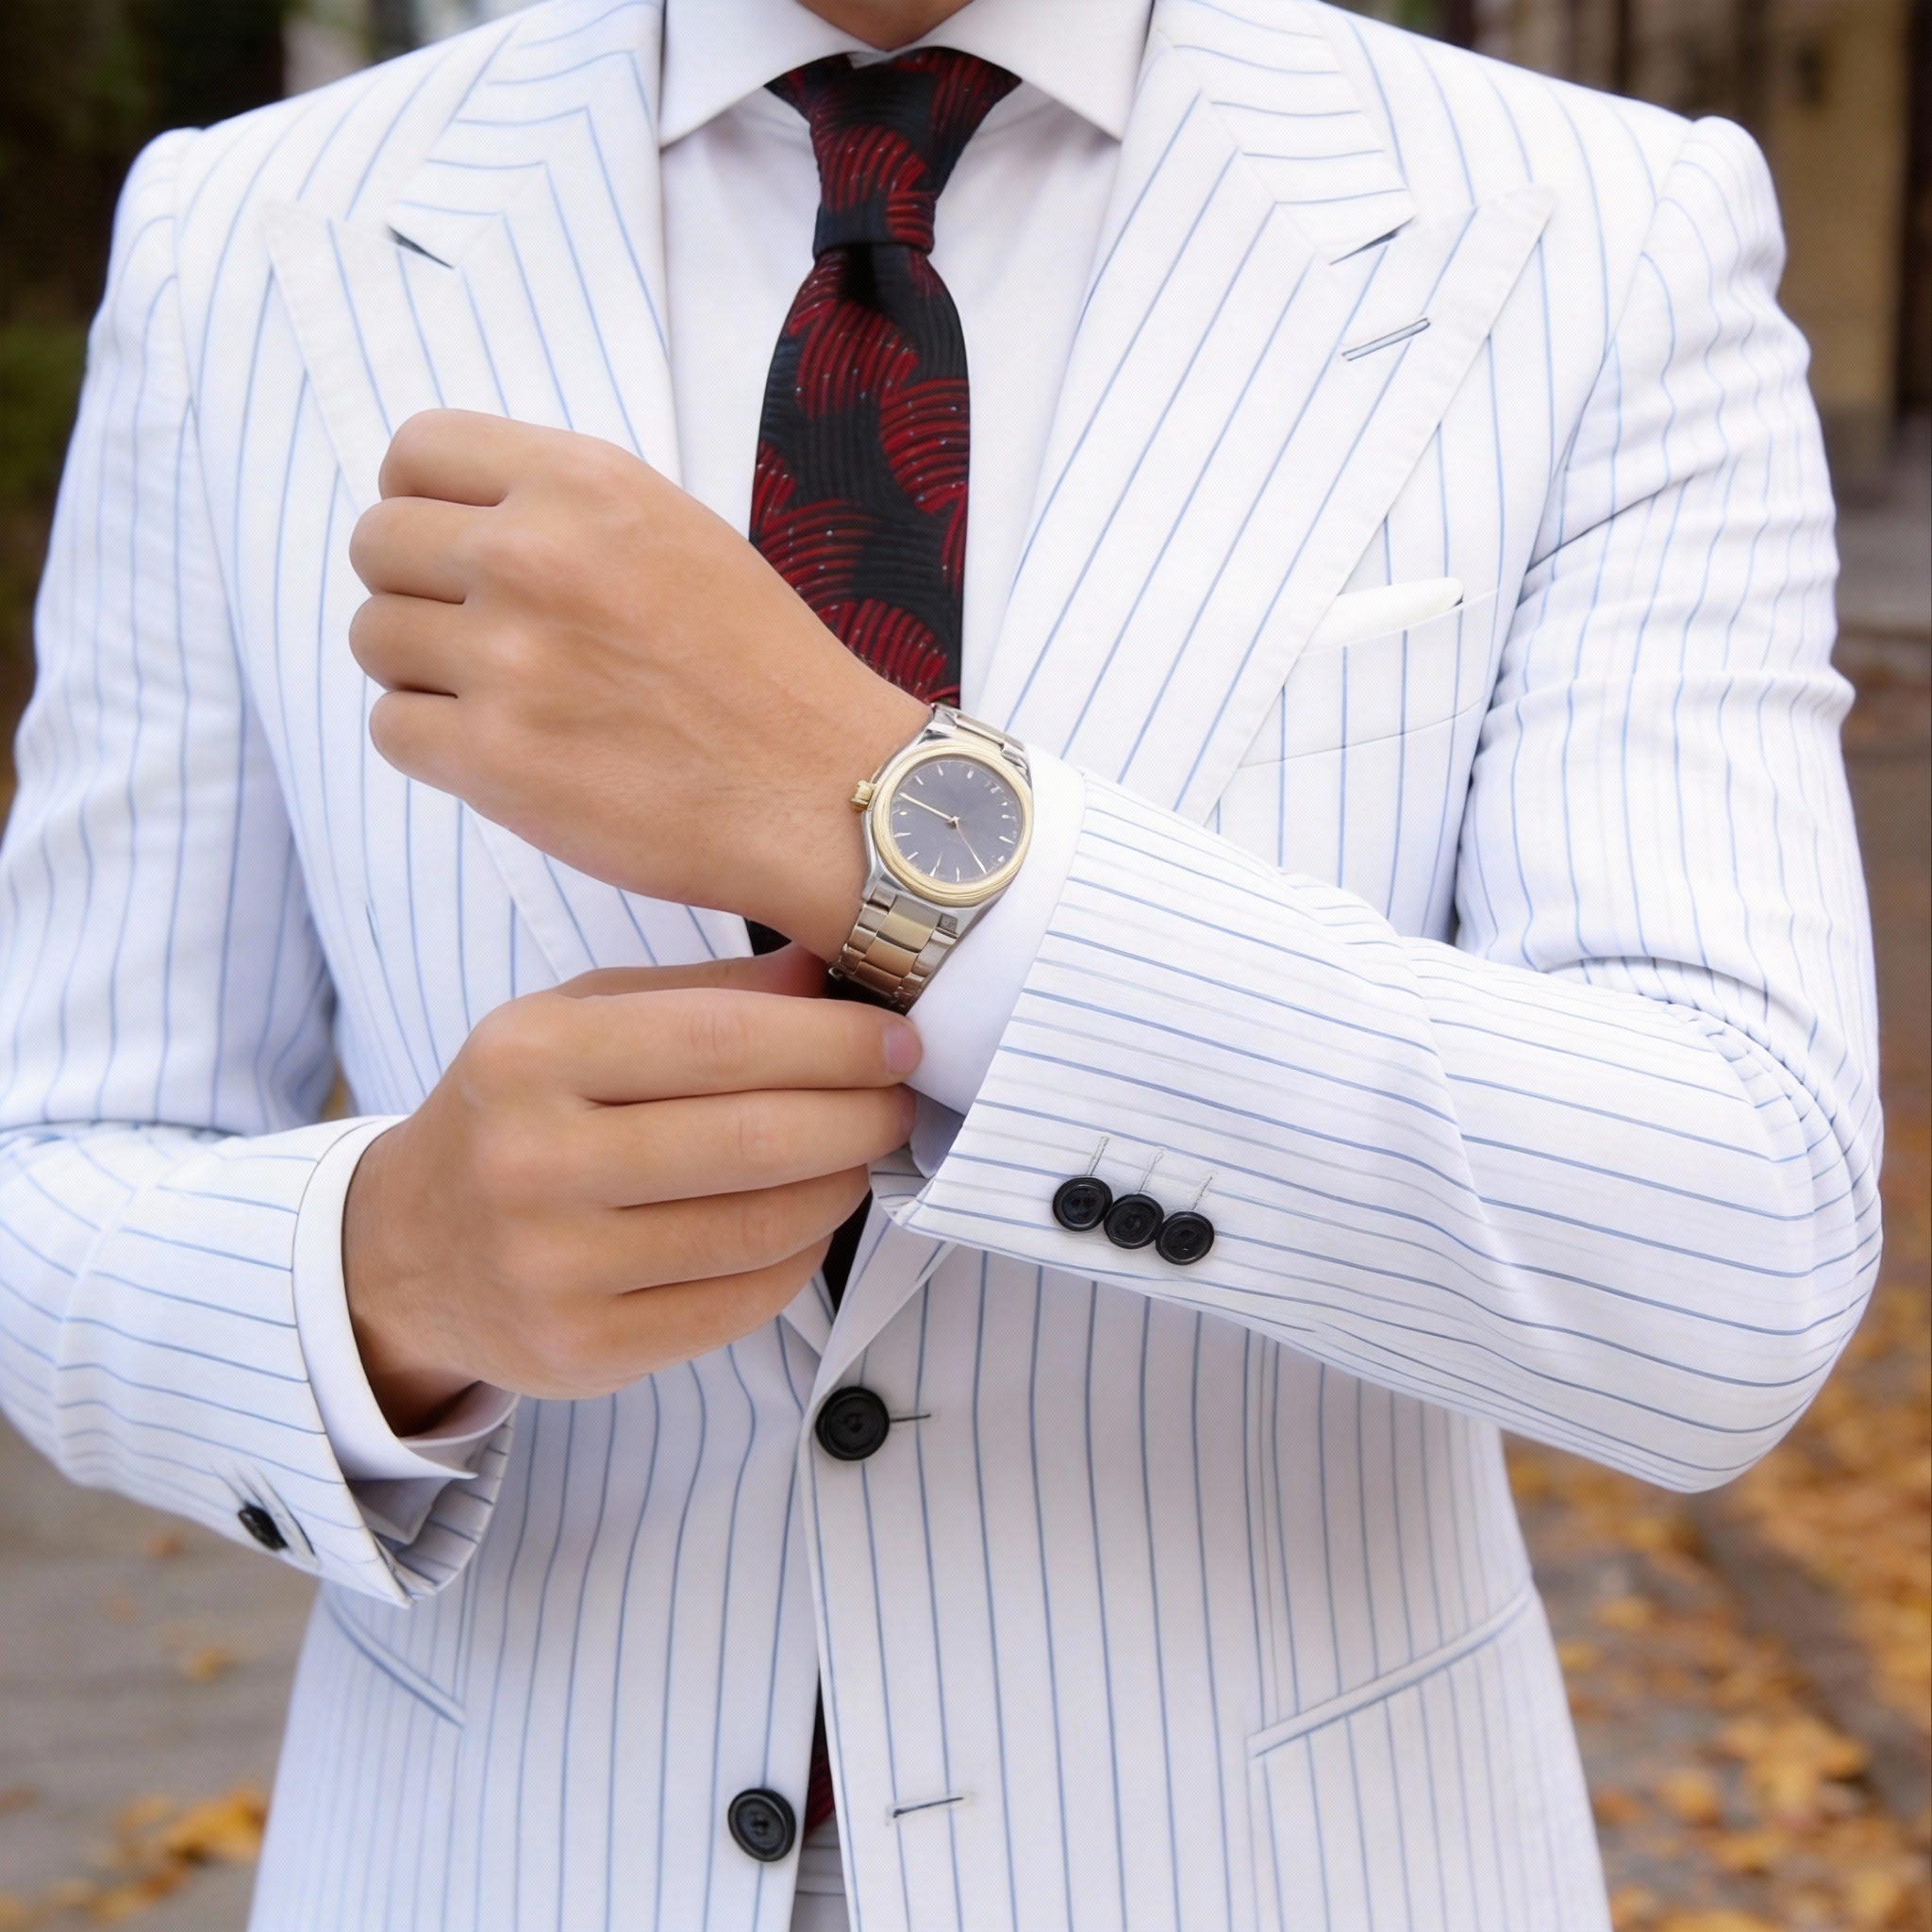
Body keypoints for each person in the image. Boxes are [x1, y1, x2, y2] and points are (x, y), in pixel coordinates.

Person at [0, 0, 1880, 1924]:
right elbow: (56, 1168)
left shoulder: (1594, 229)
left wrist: (882, 817)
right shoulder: (249, 238)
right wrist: (386, 1267)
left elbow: (1730, 1247)